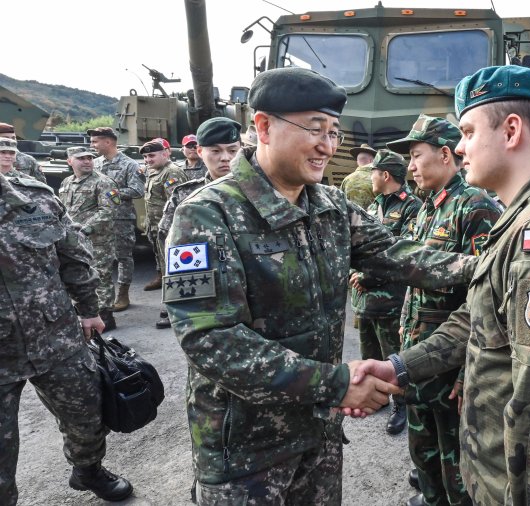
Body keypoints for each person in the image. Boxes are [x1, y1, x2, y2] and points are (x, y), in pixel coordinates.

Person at [163, 67, 477, 505]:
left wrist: (486, 266)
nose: (328, 146)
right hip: (246, 454)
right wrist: (335, 383)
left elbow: (400, 254)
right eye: (315, 130)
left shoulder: (330, 207)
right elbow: (210, 339)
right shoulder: (205, 216)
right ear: (264, 126)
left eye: (333, 132)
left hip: (320, 435)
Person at [350, 65, 530, 505]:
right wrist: (400, 367)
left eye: (467, 131)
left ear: (511, 130)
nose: (459, 147)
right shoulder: (525, 216)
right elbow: (476, 319)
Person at [386, 113, 502, 506]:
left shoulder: (476, 207)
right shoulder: (427, 207)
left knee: (460, 465)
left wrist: (471, 369)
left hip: (452, 366)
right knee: (424, 451)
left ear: (445, 154)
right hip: (420, 359)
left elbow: (489, 299)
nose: (410, 166)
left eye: (416, 156)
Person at [0, 171, 132, 504]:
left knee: (88, 412)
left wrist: (89, 309)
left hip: (55, 334)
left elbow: (72, 254)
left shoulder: (36, 198)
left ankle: (88, 470)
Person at [349, 149, 422, 435]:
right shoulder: (374, 205)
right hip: (365, 300)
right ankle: (376, 397)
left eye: (374, 173)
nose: (371, 178)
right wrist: (355, 274)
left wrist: (368, 278)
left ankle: (399, 403)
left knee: (394, 356)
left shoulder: (411, 207)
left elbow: (403, 254)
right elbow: (357, 247)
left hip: (390, 300)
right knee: (370, 353)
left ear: (385, 175)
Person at [156, 117, 242, 328]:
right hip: (207, 296)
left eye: (232, 151)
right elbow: (167, 245)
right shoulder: (185, 195)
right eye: (216, 151)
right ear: (201, 151)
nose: (225, 158)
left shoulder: (260, 192)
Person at [58, 146, 120, 330]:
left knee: (101, 275)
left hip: (97, 239)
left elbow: (108, 211)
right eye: (81, 158)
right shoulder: (67, 182)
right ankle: (85, 311)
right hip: (73, 240)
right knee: (79, 274)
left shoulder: (103, 182)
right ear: (70, 161)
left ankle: (106, 315)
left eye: (89, 158)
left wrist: (85, 230)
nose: (86, 161)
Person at [89, 126, 145, 311]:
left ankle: (123, 294)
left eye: (95, 141)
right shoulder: (95, 164)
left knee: (123, 257)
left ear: (108, 142)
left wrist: (111, 193)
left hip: (121, 218)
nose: (92, 145)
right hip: (99, 218)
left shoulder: (130, 165)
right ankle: (103, 295)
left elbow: (137, 190)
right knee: (99, 258)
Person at [141, 138, 187, 327]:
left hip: (170, 230)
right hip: (157, 229)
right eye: (145, 157)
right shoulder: (154, 172)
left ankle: (176, 310)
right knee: (165, 268)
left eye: (152, 155)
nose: (148, 160)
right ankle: (171, 306)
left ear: (165, 153)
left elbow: (178, 205)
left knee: (174, 270)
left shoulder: (172, 172)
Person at [340, 143, 377, 210]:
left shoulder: (346, 179)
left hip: (350, 219)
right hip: (372, 219)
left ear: (357, 162)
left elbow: (340, 202)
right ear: (372, 161)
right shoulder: (378, 179)